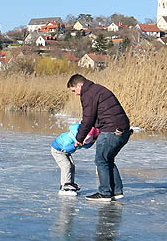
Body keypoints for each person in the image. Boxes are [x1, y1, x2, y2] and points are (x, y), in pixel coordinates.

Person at [67, 74, 131, 202]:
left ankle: (104, 193)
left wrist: (79, 138)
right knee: (108, 159)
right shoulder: (98, 89)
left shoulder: (89, 94)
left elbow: (88, 119)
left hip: (111, 130)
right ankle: (116, 191)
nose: (75, 94)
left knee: (101, 161)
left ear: (79, 85)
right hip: (123, 131)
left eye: (74, 90)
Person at [51, 122, 100, 195]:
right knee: (67, 166)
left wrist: (91, 142)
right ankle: (66, 185)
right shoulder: (70, 138)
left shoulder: (87, 139)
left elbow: (86, 146)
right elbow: (65, 149)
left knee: (72, 166)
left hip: (65, 151)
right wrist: (74, 145)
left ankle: (69, 183)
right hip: (58, 150)